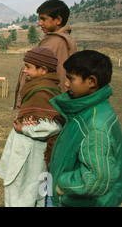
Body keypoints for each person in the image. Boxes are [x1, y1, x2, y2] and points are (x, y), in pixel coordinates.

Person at [48, 50, 122, 207]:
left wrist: (60, 184)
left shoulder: (95, 125)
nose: (66, 84)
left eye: (71, 79)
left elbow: (96, 180)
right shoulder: (89, 110)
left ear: (91, 82)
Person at [0, 47, 63, 207]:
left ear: (43, 70)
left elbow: (54, 125)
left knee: (25, 194)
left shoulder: (44, 91)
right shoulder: (37, 86)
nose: (24, 71)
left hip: (31, 154)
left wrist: (25, 129)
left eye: (28, 67)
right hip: (25, 151)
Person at [14, 0, 77, 109]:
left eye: (43, 19)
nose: (39, 23)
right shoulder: (64, 40)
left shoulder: (53, 44)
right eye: (39, 19)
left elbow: (34, 73)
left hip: (42, 101)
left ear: (58, 20)